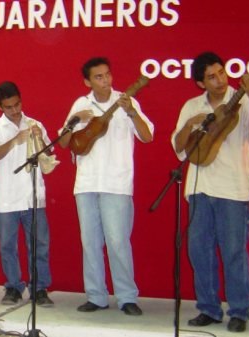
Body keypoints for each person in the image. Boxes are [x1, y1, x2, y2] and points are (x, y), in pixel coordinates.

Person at [171, 52, 249, 333]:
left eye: (222, 73)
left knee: (234, 252)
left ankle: (239, 311)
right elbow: (178, 147)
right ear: (201, 83)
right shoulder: (191, 105)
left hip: (233, 189)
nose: (220, 80)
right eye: (211, 76)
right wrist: (190, 124)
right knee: (199, 251)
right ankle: (209, 308)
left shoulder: (243, 99)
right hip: (199, 189)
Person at [59, 57, 153, 316]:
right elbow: (65, 142)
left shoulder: (126, 101)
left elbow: (147, 136)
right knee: (89, 242)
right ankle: (96, 296)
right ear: (87, 81)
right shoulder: (81, 103)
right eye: (98, 77)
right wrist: (74, 120)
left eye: (107, 75)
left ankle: (126, 296)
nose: (105, 81)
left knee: (118, 241)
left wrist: (131, 112)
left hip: (117, 183)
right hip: (86, 183)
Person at [0, 81, 54, 307]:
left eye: (17, 104)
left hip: (33, 196)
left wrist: (39, 137)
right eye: (8, 107)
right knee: (7, 245)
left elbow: (49, 154)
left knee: (39, 244)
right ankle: (13, 286)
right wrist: (15, 140)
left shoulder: (35, 123)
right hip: (6, 198)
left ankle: (40, 288)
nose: (14, 110)